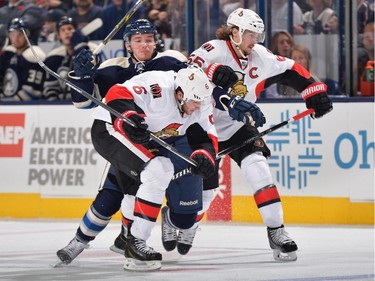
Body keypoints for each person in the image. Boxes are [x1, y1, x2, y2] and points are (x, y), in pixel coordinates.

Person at [174, 8, 333, 262]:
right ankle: (187, 224)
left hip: (238, 125)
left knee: (259, 168)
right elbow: (183, 72)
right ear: (234, 32)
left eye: (257, 34)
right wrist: (213, 71)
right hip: (204, 127)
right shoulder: (212, 49)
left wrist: (314, 91)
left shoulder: (260, 55)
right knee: (206, 191)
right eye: (249, 33)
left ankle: (277, 230)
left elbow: (290, 69)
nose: (254, 39)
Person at [90, 66, 219, 271]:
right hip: (110, 128)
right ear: (180, 94)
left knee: (162, 170)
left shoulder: (200, 101)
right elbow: (117, 92)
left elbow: (206, 133)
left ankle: (135, 241)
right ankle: (135, 241)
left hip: (146, 136)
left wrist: (205, 155)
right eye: (195, 101)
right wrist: (129, 118)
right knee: (160, 169)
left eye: (202, 101)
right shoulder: (158, 85)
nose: (199, 106)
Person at [43, 16, 98, 100]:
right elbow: (50, 88)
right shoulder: (54, 56)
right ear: (58, 35)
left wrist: (80, 47)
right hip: (62, 105)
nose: (67, 32)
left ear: (77, 31)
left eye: (69, 28)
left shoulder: (92, 50)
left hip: (88, 101)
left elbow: (94, 77)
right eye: (63, 30)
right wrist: (54, 105)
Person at [0, 17, 46, 101]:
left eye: (20, 34)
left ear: (27, 34)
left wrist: (7, 103)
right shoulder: (8, 53)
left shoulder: (34, 55)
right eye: (12, 34)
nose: (16, 38)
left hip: (29, 108)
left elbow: (31, 92)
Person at [266, 31, 295, 98]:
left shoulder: (294, 65)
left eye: (288, 42)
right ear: (275, 46)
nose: (286, 45)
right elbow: (271, 95)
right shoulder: (271, 67)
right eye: (282, 42)